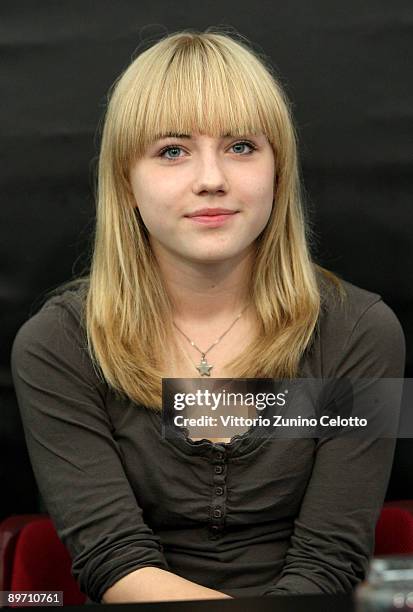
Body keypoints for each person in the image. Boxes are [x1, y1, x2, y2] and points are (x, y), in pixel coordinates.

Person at [10, 27, 405, 605]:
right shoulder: (58, 343)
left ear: (278, 171)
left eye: (241, 146)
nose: (212, 179)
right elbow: (112, 561)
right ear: (127, 182)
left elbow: (331, 560)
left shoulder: (362, 332)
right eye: (172, 150)